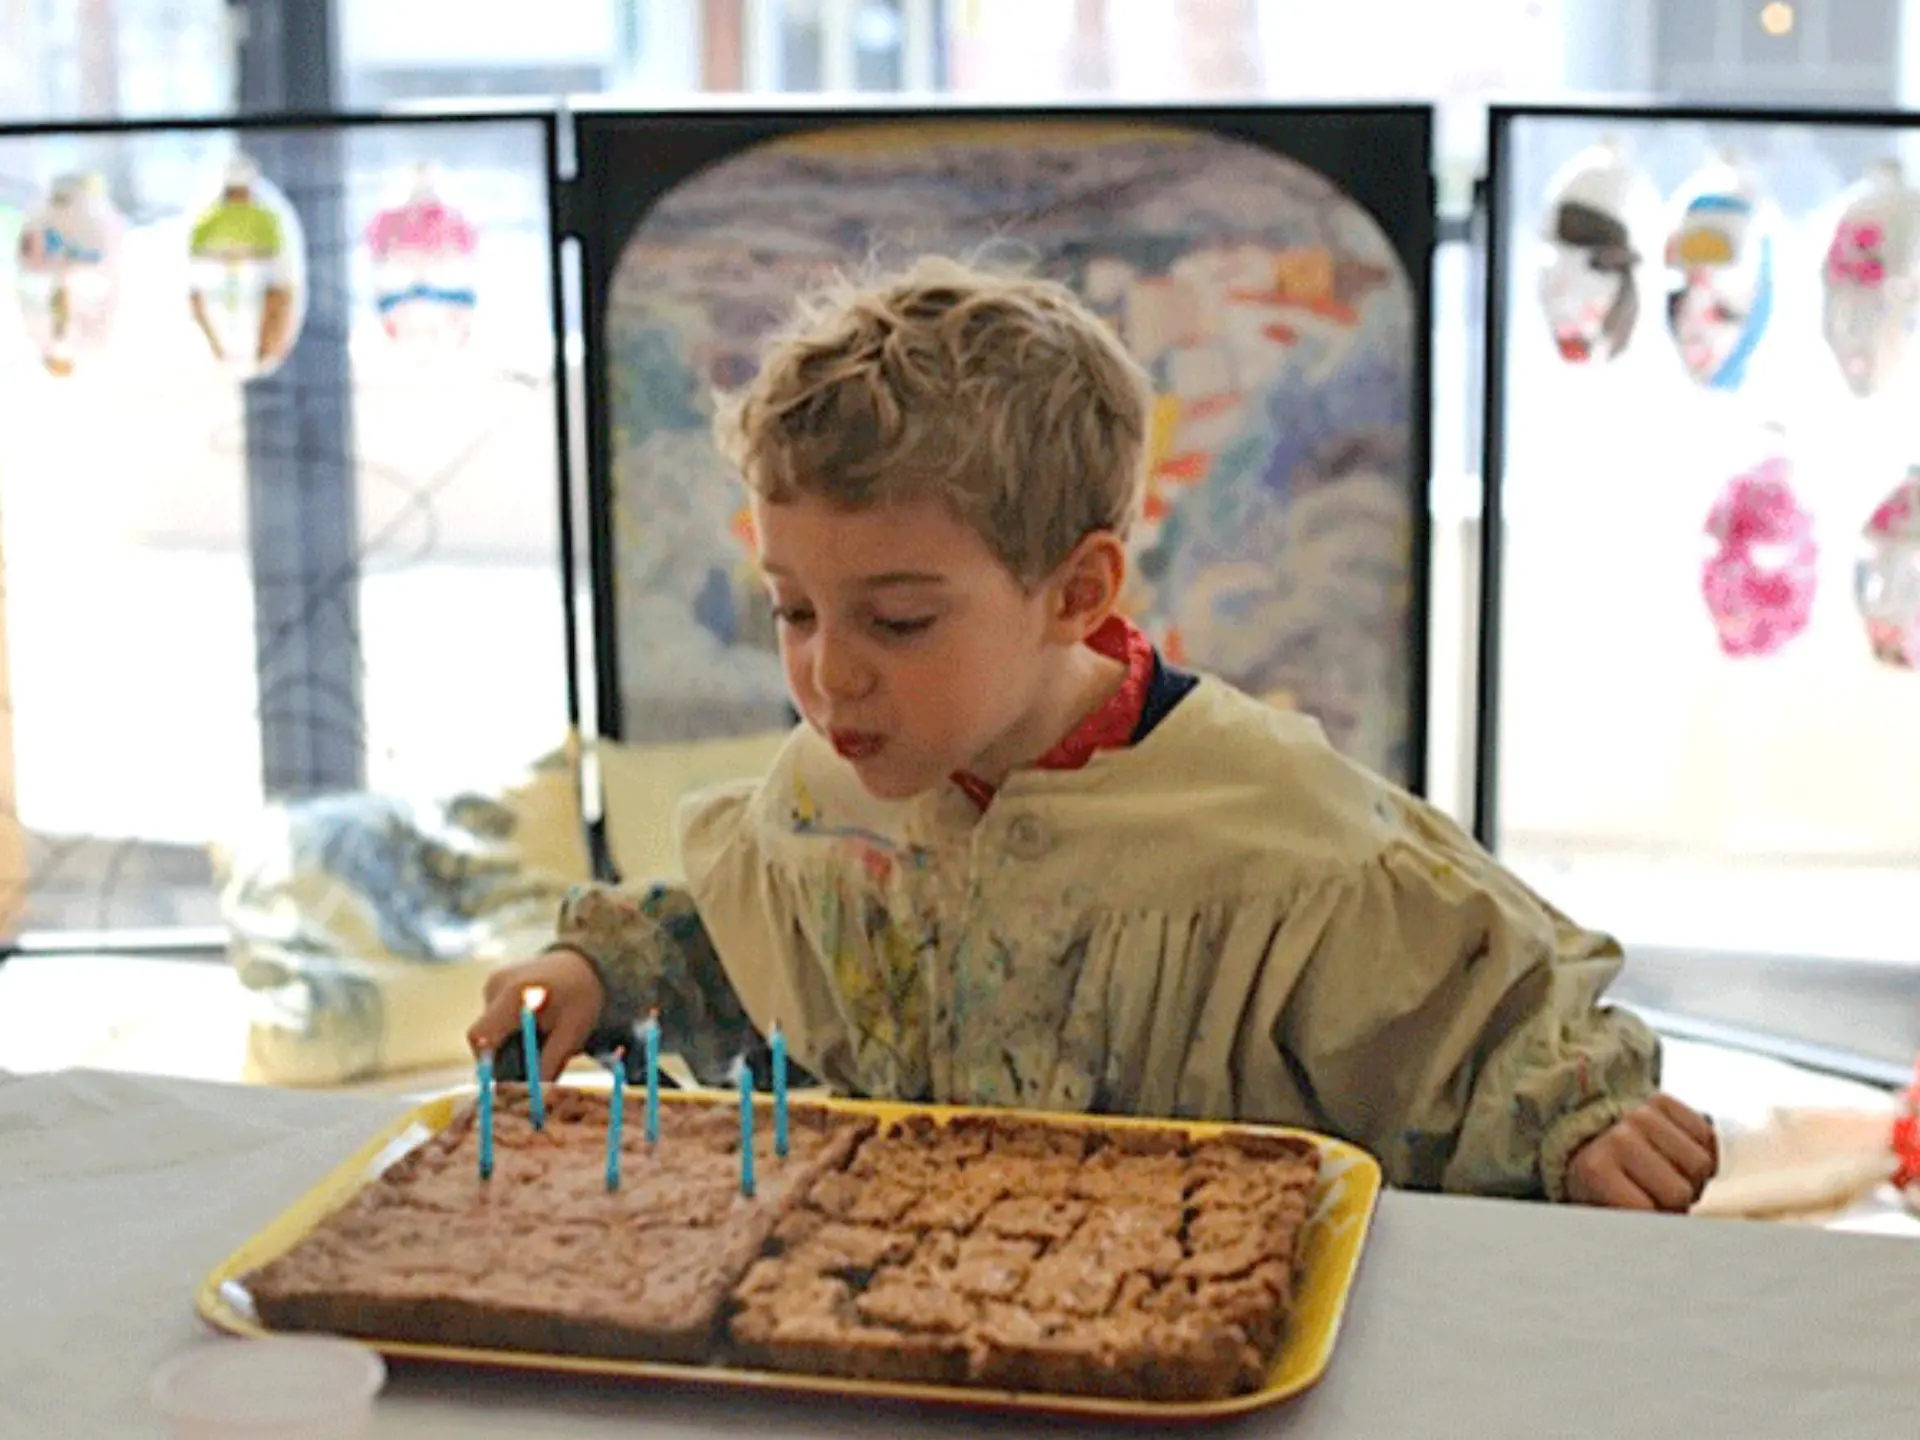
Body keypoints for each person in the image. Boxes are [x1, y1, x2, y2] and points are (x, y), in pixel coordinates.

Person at [469, 256, 1717, 1213]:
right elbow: (750, 950)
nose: (828, 672)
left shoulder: (1274, 818)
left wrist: (1580, 1116)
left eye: (897, 619)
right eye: (793, 609)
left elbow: (1477, 1007)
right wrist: (599, 977)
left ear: (1075, 593)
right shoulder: (823, 786)